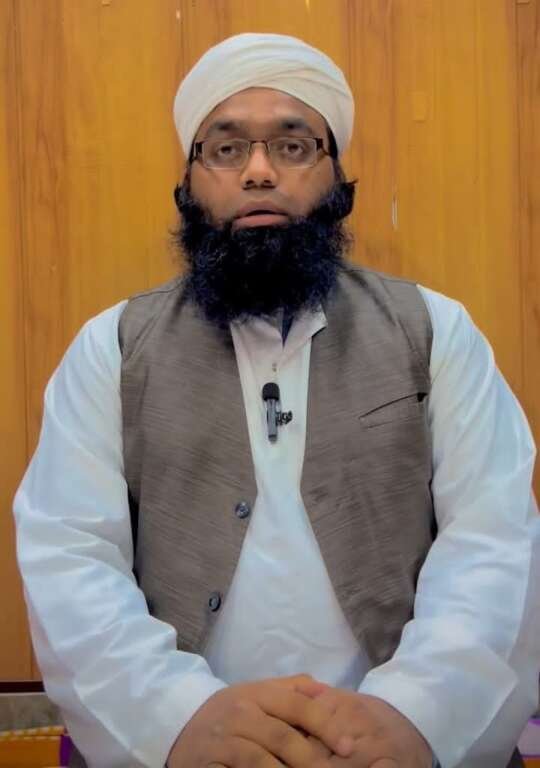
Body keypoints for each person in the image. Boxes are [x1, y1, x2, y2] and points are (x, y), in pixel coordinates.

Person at [12, 32, 540, 768]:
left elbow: (493, 540)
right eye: (226, 149)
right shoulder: (114, 348)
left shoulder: (434, 331)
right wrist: (176, 717)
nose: (258, 171)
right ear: (188, 186)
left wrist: (417, 715)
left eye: (293, 146)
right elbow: (71, 554)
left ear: (339, 182)